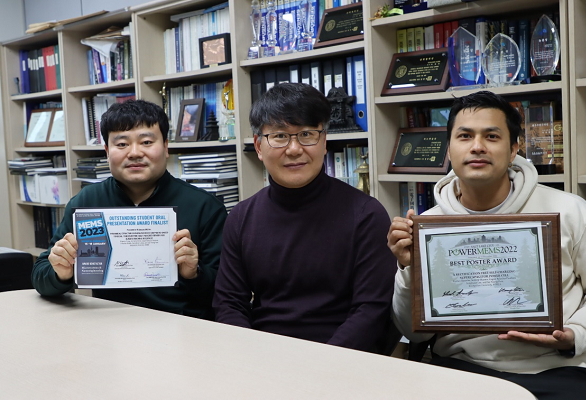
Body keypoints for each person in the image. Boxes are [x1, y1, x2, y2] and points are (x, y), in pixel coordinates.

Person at [388, 91, 586, 399]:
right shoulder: (429, 227)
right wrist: (408, 267)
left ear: (514, 149)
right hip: (460, 369)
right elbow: (410, 330)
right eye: (464, 136)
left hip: (558, 370)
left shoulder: (569, 211)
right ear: (449, 148)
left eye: (491, 136)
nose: (477, 147)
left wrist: (575, 335)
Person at [212, 83, 397, 352]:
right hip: (262, 358)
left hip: (343, 361)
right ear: (259, 146)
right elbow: (229, 304)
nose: (294, 149)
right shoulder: (241, 217)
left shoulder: (366, 215)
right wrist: (250, 356)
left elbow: (371, 311)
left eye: (307, 134)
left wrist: (320, 367)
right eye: (279, 136)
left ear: (324, 142)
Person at [32, 100, 227, 320]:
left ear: (165, 147)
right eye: (122, 144)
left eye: (146, 141)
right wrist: (61, 273)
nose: (134, 153)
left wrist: (194, 273)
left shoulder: (205, 206)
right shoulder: (86, 202)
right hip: (107, 326)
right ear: (107, 151)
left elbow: (226, 295)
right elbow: (40, 276)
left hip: (181, 328)